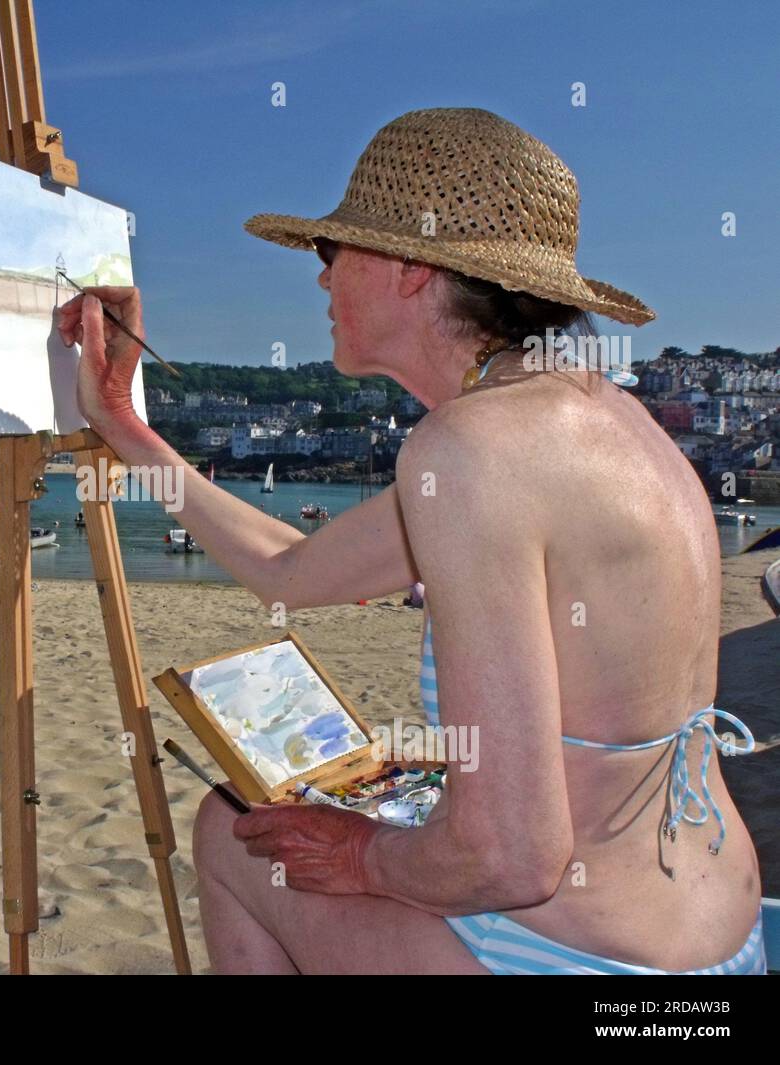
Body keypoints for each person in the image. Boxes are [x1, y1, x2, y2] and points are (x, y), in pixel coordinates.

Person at [57, 108, 763, 975]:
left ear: (409, 267)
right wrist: (126, 426)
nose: (319, 284)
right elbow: (290, 570)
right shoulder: (598, 418)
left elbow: (512, 855)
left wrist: (357, 853)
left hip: (592, 967)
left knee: (236, 834)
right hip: (718, 939)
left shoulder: (473, 450)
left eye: (330, 254)